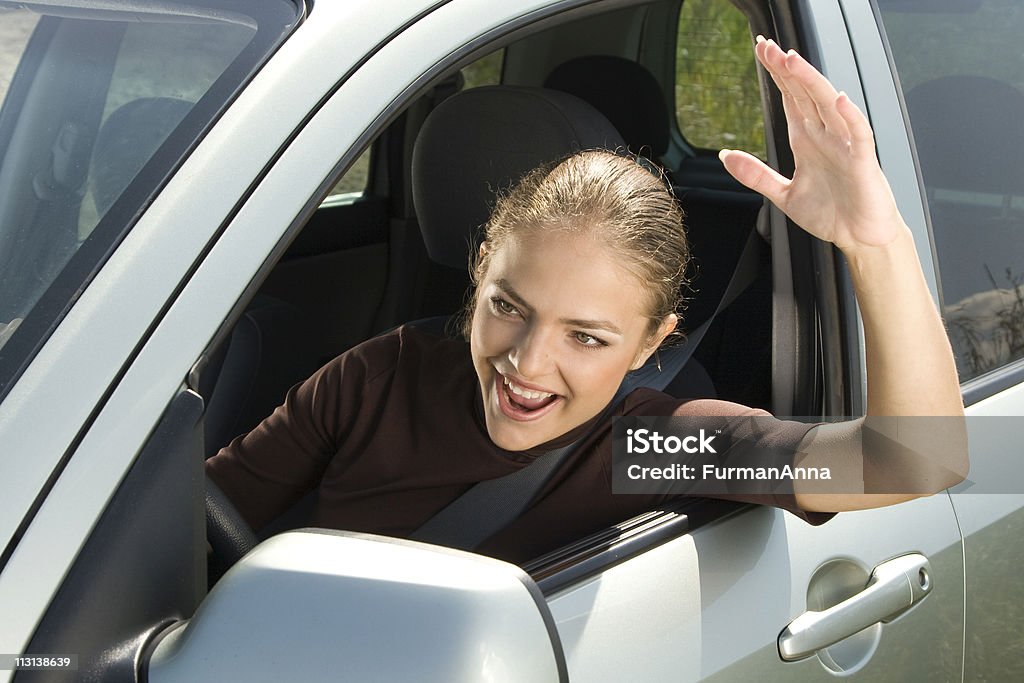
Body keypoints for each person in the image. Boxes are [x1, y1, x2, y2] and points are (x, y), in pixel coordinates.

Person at [205, 37, 968, 564]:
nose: (526, 362)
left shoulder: (645, 447)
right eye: (508, 305)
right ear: (479, 272)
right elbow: (198, 524)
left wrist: (878, 245)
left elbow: (919, 460)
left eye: (589, 337)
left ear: (650, 343)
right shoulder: (378, 376)